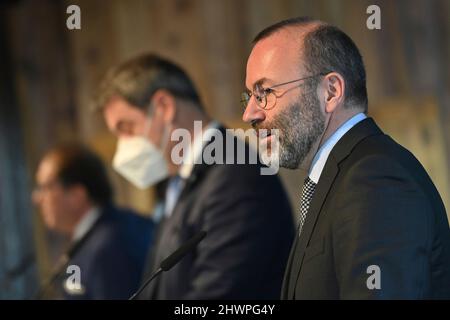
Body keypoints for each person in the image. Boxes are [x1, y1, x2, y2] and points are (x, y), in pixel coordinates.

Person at [242, 17, 450, 299]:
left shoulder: (375, 179)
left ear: (331, 92)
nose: (250, 114)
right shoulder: (340, 178)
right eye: (249, 96)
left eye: (265, 92)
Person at [95, 53, 294, 299]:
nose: (122, 146)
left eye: (126, 128)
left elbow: (217, 297)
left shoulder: (234, 177)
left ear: (164, 107)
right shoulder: (177, 181)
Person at [33, 143, 153, 299]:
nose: (37, 198)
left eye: (45, 187)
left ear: (76, 195)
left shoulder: (108, 246)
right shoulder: (97, 235)